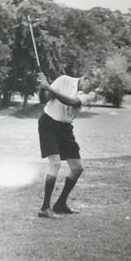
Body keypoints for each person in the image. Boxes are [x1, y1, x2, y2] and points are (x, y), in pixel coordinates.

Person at [37, 71, 98, 218]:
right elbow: (43, 100)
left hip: (65, 128)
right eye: (93, 85)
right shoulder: (64, 80)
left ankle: (60, 204)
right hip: (48, 124)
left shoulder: (90, 95)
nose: (93, 89)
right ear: (85, 78)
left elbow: (71, 101)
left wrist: (49, 87)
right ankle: (45, 208)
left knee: (77, 168)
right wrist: (42, 87)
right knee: (55, 164)